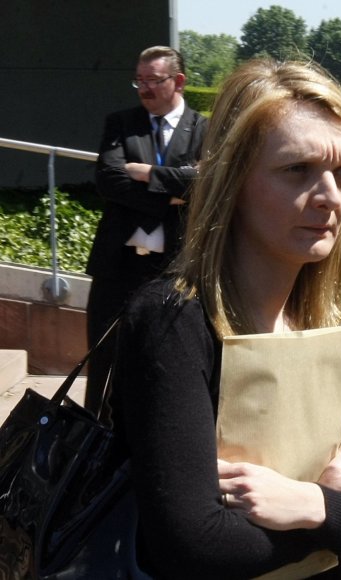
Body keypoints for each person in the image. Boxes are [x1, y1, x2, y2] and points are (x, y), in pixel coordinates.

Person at [108, 59, 341, 577]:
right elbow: (193, 543)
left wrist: (310, 506)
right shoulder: (174, 322)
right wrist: (340, 515)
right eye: (297, 170)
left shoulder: (331, 324)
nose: (329, 197)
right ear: (232, 181)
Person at [85, 46, 207, 411]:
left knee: (162, 365)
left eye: (153, 80)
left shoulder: (205, 130)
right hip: (117, 266)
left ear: (179, 81)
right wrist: (169, 194)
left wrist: (146, 173)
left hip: (174, 269)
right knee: (103, 363)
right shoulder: (121, 124)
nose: (143, 89)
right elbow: (108, 180)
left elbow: (203, 187)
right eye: (139, 81)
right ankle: (92, 449)